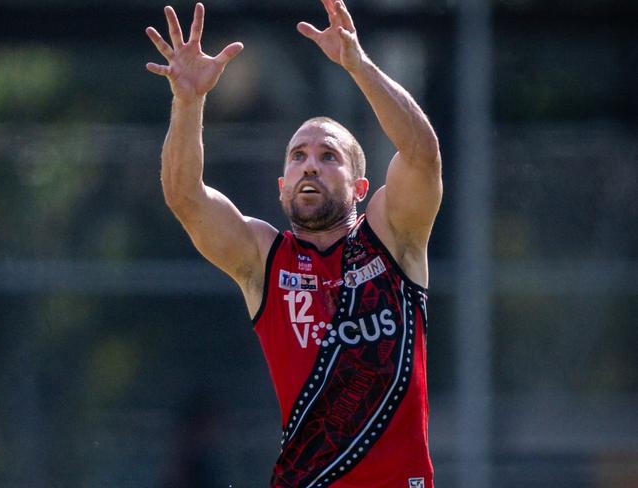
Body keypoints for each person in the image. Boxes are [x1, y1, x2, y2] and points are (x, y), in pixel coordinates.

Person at [146, 1, 442, 486]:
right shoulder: (266, 259)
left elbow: (422, 154)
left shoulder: (394, 237)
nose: (310, 164)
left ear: (360, 188)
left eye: (329, 156)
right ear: (281, 185)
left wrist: (358, 65)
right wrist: (187, 102)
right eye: (298, 155)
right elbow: (186, 198)